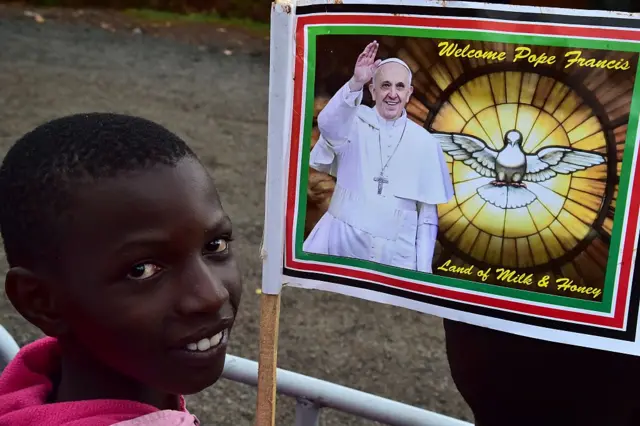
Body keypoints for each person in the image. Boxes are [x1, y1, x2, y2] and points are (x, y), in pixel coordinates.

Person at [0, 113, 242, 425]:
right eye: (142, 269)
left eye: (215, 246)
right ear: (40, 301)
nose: (212, 294)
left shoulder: (28, 390)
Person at [304, 41, 454, 273]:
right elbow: (328, 124)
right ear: (373, 91)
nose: (392, 94)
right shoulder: (352, 121)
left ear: (409, 93)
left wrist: (423, 270)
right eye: (385, 85)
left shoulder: (425, 143)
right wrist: (356, 82)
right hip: (340, 240)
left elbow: (426, 215)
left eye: (399, 87)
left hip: (394, 252)